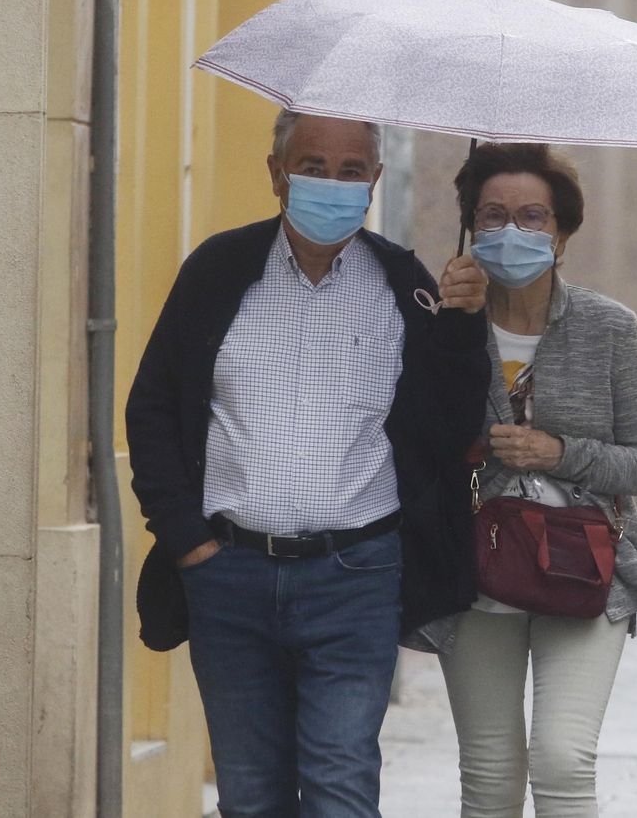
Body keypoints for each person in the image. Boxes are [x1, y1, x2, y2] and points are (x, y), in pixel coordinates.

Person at [124, 111, 490, 817]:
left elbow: (444, 432)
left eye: (352, 171)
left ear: (375, 181)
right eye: (313, 166)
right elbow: (155, 407)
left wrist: (464, 326)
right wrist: (186, 540)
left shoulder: (403, 283)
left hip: (356, 578)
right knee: (251, 795)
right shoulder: (217, 272)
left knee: (341, 790)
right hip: (227, 574)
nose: (333, 184)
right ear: (276, 174)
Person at [419, 143, 637, 817]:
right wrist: (450, 327)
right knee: (491, 777)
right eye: (493, 215)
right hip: (474, 569)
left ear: (561, 234)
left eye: (532, 216)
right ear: (472, 227)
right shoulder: (442, 322)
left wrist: (559, 453)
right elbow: (415, 445)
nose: (512, 231)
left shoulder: (608, 326)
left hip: (584, 561)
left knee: (563, 760)